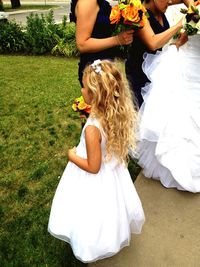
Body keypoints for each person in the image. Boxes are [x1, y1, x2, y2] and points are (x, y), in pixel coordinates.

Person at [48, 60, 145, 263]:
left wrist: (72, 155)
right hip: (111, 173)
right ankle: (111, 235)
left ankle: (90, 246)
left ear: (94, 93)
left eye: (84, 86)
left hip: (94, 176)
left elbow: (93, 167)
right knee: (110, 207)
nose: (81, 89)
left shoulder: (93, 128)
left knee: (91, 212)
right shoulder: (111, 117)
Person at [134, 3, 200, 193]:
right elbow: (190, 23)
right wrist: (180, 41)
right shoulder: (194, 5)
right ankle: (179, 166)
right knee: (182, 112)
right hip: (191, 62)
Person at [125, 0, 191, 107]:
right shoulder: (139, 13)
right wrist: (180, 24)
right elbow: (153, 43)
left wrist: (195, 9)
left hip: (155, 71)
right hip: (139, 73)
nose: (170, 2)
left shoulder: (160, 7)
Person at [70, 0, 134, 86]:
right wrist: (117, 40)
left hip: (105, 65)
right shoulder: (87, 2)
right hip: (95, 70)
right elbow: (82, 44)